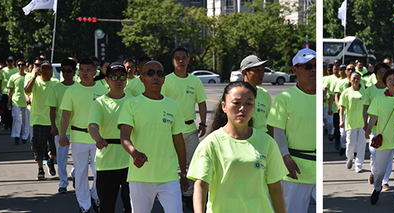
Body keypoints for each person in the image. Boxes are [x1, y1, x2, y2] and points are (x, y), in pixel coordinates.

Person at [188, 82, 288, 213]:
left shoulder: (267, 142)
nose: (242, 108)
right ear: (224, 106)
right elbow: (201, 185)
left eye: (248, 103)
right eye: (236, 103)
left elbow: (275, 188)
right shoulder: (211, 143)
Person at [118, 60, 189, 212]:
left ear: (164, 78)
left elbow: (179, 142)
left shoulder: (173, 105)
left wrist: (183, 174)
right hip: (140, 177)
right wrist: (134, 152)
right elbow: (124, 136)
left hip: (169, 176)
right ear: (142, 78)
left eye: (160, 73)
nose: (155, 76)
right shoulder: (131, 104)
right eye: (150, 73)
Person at [267, 48, 316, 213]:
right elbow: (277, 130)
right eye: (308, 66)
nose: (313, 70)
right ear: (295, 70)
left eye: (317, 66)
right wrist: (285, 157)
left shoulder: (325, 95)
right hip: (296, 168)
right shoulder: (285, 98)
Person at [161, 47, 208, 208]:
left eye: (183, 57)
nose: (181, 61)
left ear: (188, 60)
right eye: (177, 58)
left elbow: (201, 102)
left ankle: (188, 195)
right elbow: (161, 104)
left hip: (190, 129)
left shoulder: (195, 81)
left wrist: (202, 122)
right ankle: (174, 194)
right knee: (172, 163)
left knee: (193, 164)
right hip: (171, 130)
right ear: (173, 61)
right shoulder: (166, 80)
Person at [59, 58, 107, 213]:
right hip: (78, 137)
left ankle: (95, 194)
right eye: (82, 70)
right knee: (80, 173)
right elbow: (65, 115)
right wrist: (62, 135)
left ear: (95, 72)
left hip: (98, 138)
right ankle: (84, 205)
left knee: (99, 170)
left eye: (88, 70)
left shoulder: (103, 89)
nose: (84, 73)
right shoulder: (71, 90)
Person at [88, 62, 133, 213]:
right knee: (107, 207)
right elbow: (92, 125)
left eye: (122, 76)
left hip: (131, 162)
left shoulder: (134, 102)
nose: (119, 80)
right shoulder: (99, 103)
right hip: (106, 163)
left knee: (132, 205)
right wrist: (98, 138)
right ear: (107, 80)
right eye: (114, 77)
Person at [365, 69, 394, 210]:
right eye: (389, 78)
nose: (392, 81)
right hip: (384, 140)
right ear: (385, 82)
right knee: (379, 171)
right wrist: (368, 128)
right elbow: (373, 116)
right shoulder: (379, 98)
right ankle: (377, 187)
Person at [47, 58, 78, 194]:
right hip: (62, 129)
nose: (65, 73)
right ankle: (63, 183)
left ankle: (76, 176)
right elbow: (52, 109)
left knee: (79, 159)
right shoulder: (56, 88)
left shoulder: (79, 87)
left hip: (78, 129)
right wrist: (53, 126)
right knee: (61, 158)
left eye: (69, 70)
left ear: (74, 71)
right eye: (63, 70)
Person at [24, 62, 59, 180]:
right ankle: (40, 169)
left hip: (53, 121)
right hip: (38, 120)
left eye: (50, 74)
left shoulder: (55, 83)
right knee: (38, 147)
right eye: (45, 74)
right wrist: (34, 77)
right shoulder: (35, 82)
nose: (48, 77)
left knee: (55, 149)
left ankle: (51, 160)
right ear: (40, 73)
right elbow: (27, 91)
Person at [362, 63, 392, 188]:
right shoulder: (369, 90)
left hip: (389, 129)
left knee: (388, 156)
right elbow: (365, 108)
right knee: (374, 152)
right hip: (374, 128)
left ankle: (385, 181)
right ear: (375, 74)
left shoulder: (391, 90)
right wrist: (365, 124)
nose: (382, 75)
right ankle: (374, 171)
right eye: (380, 72)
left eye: (385, 72)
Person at [239, 55, 273, 137]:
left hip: (262, 140)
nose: (261, 74)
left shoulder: (264, 94)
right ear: (244, 72)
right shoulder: (236, 94)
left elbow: (270, 122)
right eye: (257, 70)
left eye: (262, 70)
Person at [338, 71, 366, 172]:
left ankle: (358, 164)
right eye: (354, 78)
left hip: (362, 121)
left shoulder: (364, 92)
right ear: (350, 79)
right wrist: (341, 120)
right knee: (350, 143)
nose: (356, 80)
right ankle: (349, 158)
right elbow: (342, 107)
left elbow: (367, 107)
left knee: (361, 143)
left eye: (358, 78)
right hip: (350, 121)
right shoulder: (346, 92)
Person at [7, 58, 31, 144]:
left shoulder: (28, 76)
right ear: (16, 66)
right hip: (16, 101)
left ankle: (24, 136)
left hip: (26, 102)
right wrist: (9, 101)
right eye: (19, 65)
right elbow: (10, 90)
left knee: (26, 120)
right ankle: (16, 136)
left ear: (25, 66)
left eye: (22, 65)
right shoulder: (13, 77)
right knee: (17, 118)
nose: (21, 66)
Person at [0, 56, 18, 130]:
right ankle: (6, 123)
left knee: (13, 109)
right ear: (6, 62)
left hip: (14, 93)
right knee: (5, 109)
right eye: (8, 61)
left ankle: (12, 124)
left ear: (13, 62)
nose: (9, 63)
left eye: (11, 61)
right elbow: (0, 82)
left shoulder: (16, 70)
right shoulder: (3, 70)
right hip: (5, 92)